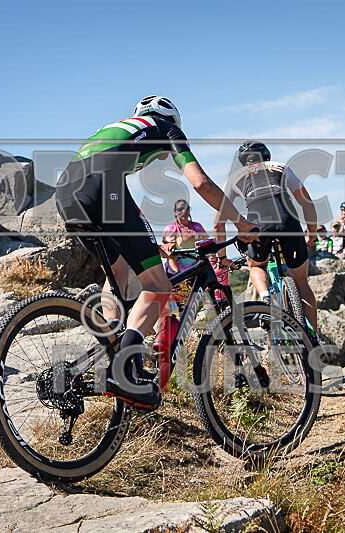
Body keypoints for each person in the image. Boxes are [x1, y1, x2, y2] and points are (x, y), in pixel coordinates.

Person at [55, 95, 258, 408]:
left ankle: (116, 353)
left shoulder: (119, 127)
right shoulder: (166, 128)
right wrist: (242, 224)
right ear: (172, 119)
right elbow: (200, 182)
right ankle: (122, 368)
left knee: (119, 272)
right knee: (159, 286)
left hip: (67, 192)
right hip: (102, 187)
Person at [213, 141, 319, 333]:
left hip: (257, 225)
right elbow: (307, 203)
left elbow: (218, 224)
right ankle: (314, 340)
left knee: (257, 265)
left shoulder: (233, 178)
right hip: (288, 221)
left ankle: (264, 295)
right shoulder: (281, 167)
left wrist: (222, 257)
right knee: (301, 282)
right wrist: (311, 232)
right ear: (267, 157)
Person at [163, 199, 209, 275]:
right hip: (177, 273)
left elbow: (207, 247)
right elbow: (169, 254)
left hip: (198, 270)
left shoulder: (197, 226)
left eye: (186, 208)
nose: (183, 212)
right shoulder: (171, 229)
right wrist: (178, 273)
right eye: (180, 209)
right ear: (175, 211)